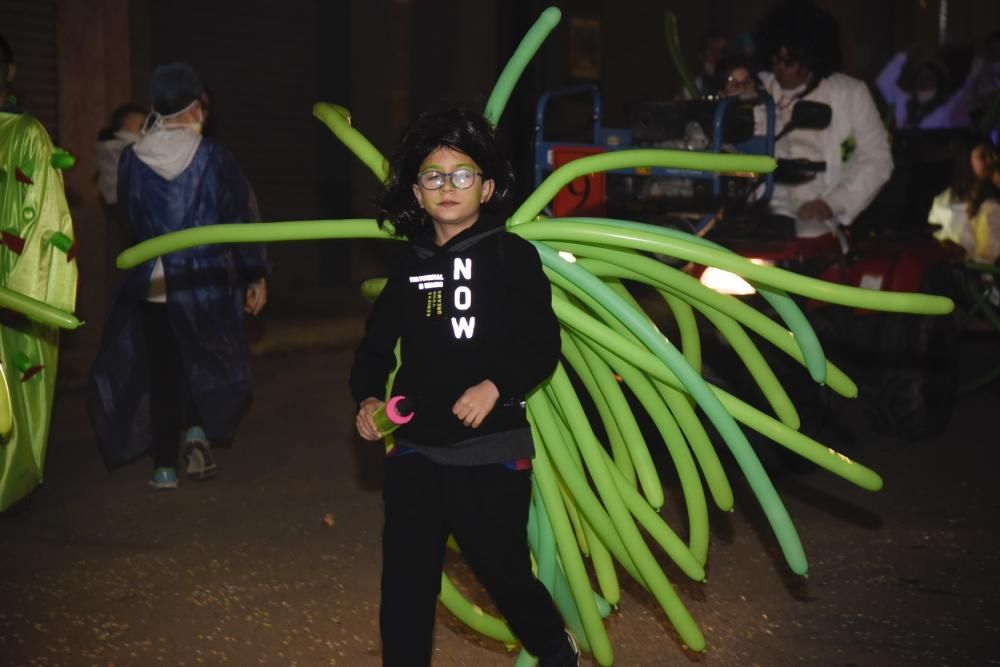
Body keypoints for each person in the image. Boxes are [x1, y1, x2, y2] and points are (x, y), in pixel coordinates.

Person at [349, 108, 578, 666]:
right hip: (415, 449)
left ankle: (554, 648)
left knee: (502, 573)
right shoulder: (410, 265)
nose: (447, 187)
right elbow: (375, 349)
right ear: (417, 191)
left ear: (488, 186)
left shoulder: (511, 256)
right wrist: (368, 397)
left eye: (462, 174)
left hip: (491, 451)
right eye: (433, 176)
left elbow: (541, 343)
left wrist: (495, 386)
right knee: (404, 584)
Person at [87, 63, 268, 489]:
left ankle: (164, 467)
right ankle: (198, 434)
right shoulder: (214, 157)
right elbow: (243, 215)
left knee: (163, 371)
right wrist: (255, 273)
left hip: (155, 285)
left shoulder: (134, 159)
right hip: (207, 285)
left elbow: (129, 215)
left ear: (156, 108)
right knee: (206, 361)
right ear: (194, 108)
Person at [753, 0, 893, 239]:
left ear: (811, 58)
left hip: (818, 213)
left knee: (810, 240)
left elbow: (878, 160)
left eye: (790, 62)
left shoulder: (850, 93)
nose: (780, 70)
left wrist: (831, 203)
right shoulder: (756, 90)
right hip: (761, 209)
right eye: (776, 60)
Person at [876, 51, 970, 129]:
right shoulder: (904, 102)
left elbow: (968, 87)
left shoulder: (948, 106)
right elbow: (883, 82)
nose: (923, 81)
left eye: (928, 77)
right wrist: (903, 55)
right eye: (920, 77)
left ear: (938, 81)